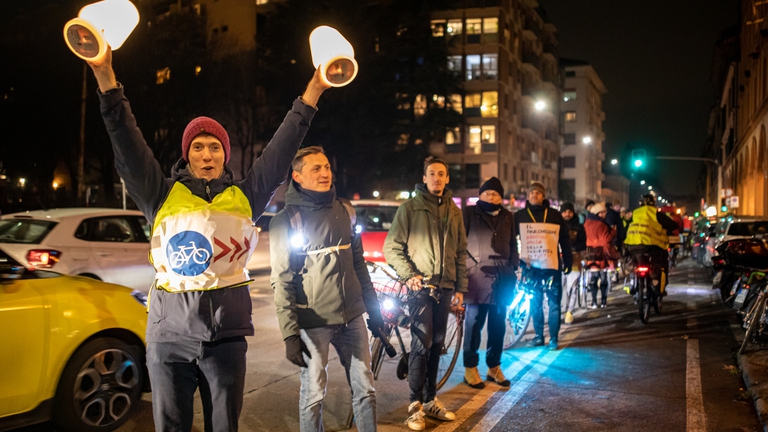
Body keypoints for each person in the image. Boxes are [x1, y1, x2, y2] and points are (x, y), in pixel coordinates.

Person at [87, 46, 330, 431]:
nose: (206, 153)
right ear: (186, 156)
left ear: (224, 155)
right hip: (169, 340)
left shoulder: (246, 196)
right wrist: (106, 80)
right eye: (197, 147)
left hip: (226, 342)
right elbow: (127, 145)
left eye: (214, 146)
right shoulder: (160, 192)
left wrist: (313, 91)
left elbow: (282, 150)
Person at [270, 146, 385, 432]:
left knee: (366, 390)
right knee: (312, 395)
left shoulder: (345, 209)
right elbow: (281, 281)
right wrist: (289, 335)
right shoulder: (286, 220)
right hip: (314, 322)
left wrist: (375, 312)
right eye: (316, 169)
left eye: (327, 167)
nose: (325, 173)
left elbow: (359, 265)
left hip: (353, 318)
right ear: (297, 177)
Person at [383, 157, 468, 431]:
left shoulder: (454, 211)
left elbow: (461, 252)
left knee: (437, 345)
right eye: (432, 174)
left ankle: (431, 400)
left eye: (442, 174)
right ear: (425, 177)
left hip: (445, 289)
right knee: (422, 344)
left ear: (447, 178)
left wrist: (461, 288)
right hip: (420, 288)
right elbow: (392, 247)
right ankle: (414, 406)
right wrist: (410, 276)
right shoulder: (410, 208)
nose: (437, 178)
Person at [461, 177, 518, 389]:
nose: (491, 196)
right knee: (474, 324)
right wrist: (467, 266)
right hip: (476, 277)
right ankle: (470, 367)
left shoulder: (507, 217)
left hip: (502, 277)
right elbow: (459, 242)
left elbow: (513, 243)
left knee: (498, 325)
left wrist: (513, 265)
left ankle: (494, 366)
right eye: (487, 192)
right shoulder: (468, 213)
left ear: (501, 197)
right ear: (480, 194)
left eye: (495, 193)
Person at [514, 182, 572, 350]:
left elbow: (565, 240)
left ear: (544, 196)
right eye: (531, 193)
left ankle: (554, 338)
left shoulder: (554, 215)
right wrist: (514, 259)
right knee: (535, 302)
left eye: (538, 193)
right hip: (531, 268)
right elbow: (511, 239)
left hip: (551, 267)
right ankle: (539, 336)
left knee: (554, 302)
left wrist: (567, 261)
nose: (534, 195)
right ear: (528, 195)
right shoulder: (520, 216)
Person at [624, 194, 679, 295]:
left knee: (633, 262)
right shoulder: (656, 213)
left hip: (633, 246)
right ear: (653, 203)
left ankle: (632, 282)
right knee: (662, 262)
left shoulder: (634, 213)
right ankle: (659, 286)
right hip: (653, 246)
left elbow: (625, 227)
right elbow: (673, 225)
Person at [583, 203, 619, 308]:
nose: (605, 214)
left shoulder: (586, 224)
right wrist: (612, 232)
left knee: (594, 279)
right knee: (603, 279)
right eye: (603, 212)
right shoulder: (601, 225)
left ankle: (594, 302)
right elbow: (605, 240)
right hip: (601, 254)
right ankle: (603, 301)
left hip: (589, 254)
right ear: (598, 213)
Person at [560, 202, 586, 324]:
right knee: (559, 287)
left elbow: (583, 244)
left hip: (574, 260)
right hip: (558, 261)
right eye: (564, 211)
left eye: (569, 211)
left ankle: (569, 312)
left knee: (573, 287)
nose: (567, 214)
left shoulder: (579, 227)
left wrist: (574, 246)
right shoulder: (556, 225)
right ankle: (560, 310)